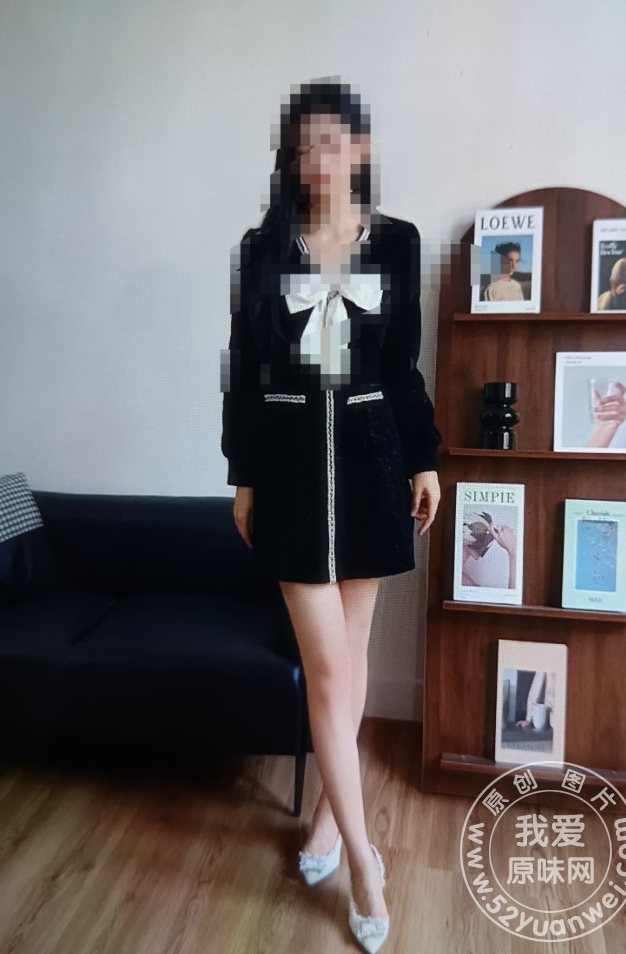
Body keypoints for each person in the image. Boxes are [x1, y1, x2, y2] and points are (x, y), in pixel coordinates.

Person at [220, 78, 442, 952]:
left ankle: (322, 822)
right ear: (292, 157)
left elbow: (402, 365)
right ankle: (363, 860)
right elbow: (245, 367)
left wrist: (424, 457)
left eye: (332, 141)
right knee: (327, 672)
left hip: (373, 464)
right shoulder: (263, 248)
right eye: (304, 144)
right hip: (289, 475)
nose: (318, 158)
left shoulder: (397, 242)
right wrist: (242, 476)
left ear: (360, 148)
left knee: (349, 667)